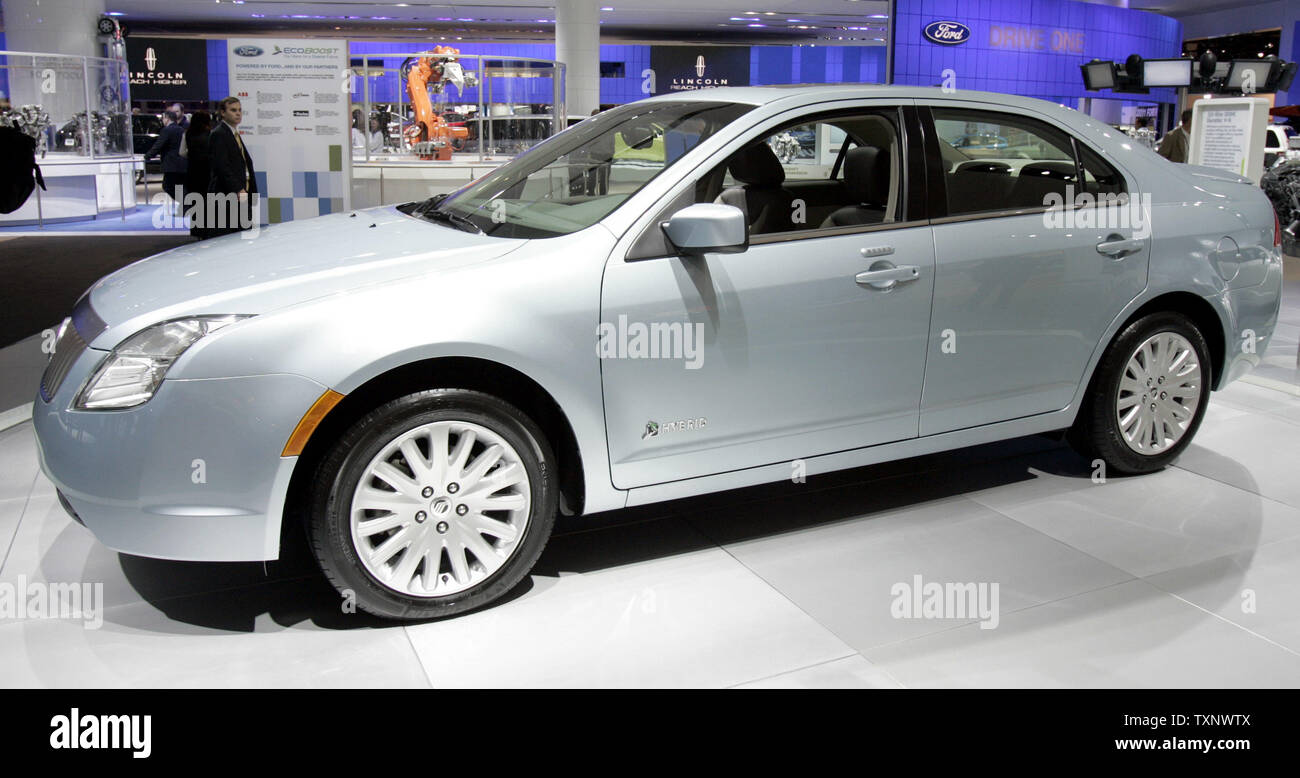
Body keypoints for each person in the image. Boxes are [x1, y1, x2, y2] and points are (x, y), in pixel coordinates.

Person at [208, 96, 256, 236]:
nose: (238, 113)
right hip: (229, 196)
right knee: (232, 237)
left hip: (240, 194)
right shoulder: (219, 134)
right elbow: (222, 167)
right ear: (223, 113)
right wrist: (238, 189)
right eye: (233, 110)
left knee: (243, 234)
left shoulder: (233, 133)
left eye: (240, 110)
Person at [181, 110, 214, 239]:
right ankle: (208, 231)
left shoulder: (187, 134)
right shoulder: (210, 134)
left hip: (193, 172)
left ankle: (197, 231)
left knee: (195, 204)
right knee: (209, 203)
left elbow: (181, 152)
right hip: (207, 173)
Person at [144, 110, 187, 207]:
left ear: (167, 118)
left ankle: (187, 205)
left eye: (163, 118)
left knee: (168, 186)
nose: (162, 121)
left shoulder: (166, 130)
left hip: (171, 164)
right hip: (183, 163)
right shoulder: (182, 130)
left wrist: (147, 156)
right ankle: (186, 206)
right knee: (180, 186)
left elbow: (158, 145)